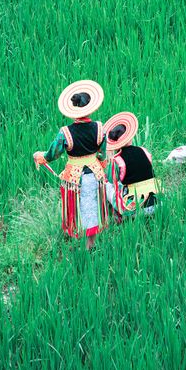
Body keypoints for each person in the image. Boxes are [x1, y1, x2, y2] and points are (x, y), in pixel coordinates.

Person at [33, 80, 108, 249]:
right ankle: (91, 243)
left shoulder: (65, 132)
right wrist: (101, 164)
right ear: (90, 106)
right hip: (96, 174)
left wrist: (40, 156)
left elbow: (52, 154)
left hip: (74, 178)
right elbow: (103, 154)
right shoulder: (99, 128)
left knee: (77, 208)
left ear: (73, 109)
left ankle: (81, 244)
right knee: (93, 207)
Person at [103, 111, 161, 219]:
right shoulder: (144, 150)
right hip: (158, 203)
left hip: (134, 209)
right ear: (129, 136)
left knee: (105, 184)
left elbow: (111, 181)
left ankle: (116, 217)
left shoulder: (117, 160)